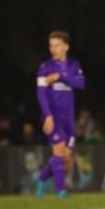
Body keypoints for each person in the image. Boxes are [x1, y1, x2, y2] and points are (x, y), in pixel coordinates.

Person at [35, 31, 86, 198]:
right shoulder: (44, 68)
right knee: (58, 151)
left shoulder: (74, 65)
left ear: (66, 47)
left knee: (66, 158)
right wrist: (47, 115)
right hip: (53, 116)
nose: (53, 49)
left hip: (68, 117)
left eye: (57, 45)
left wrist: (60, 77)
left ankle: (41, 179)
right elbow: (41, 93)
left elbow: (81, 84)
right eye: (51, 45)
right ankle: (61, 191)